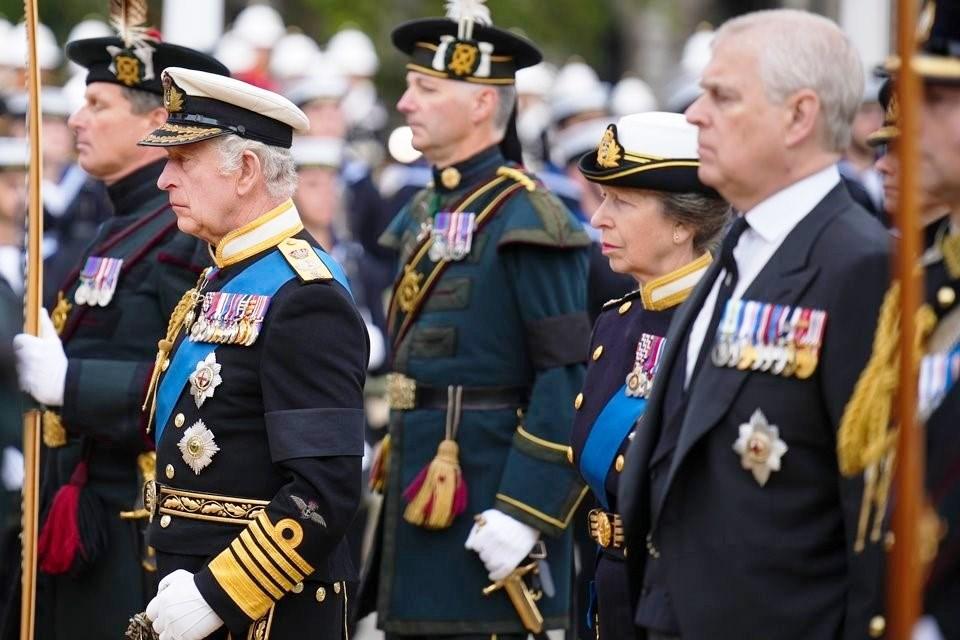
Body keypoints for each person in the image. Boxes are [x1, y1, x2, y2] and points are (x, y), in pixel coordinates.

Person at [618, 9, 890, 639]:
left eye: (723, 96)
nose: (694, 115)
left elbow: (873, 520)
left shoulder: (859, 266)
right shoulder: (740, 244)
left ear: (799, 116)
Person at [369, 1, 592, 637]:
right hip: (422, 484)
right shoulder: (425, 207)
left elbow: (566, 376)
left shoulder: (529, 218)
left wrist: (527, 510)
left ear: (480, 104)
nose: (406, 103)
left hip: (488, 500)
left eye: (426, 89)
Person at [6, 27, 228, 638]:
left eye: (98, 104)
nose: (77, 118)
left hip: (134, 525)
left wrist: (73, 384)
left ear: (156, 120)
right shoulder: (120, 225)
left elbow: (203, 386)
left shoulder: (183, 234)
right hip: (80, 507)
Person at [137, 66, 368, 640]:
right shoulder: (224, 273)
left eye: (182, 161)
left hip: (264, 610)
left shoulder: (303, 295)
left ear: (245, 171)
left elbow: (324, 490)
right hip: (190, 589)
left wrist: (218, 594)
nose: (164, 180)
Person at [570, 112, 728, 639]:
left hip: (678, 602)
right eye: (602, 199)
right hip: (607, 593)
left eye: (622, 203)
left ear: (684, 224)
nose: (599, 219)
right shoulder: (614, 324)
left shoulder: (720, 324)